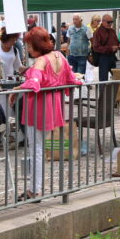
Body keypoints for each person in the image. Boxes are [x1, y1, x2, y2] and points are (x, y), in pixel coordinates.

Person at [18, 27, 81, 198]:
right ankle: (35, 188)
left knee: (36, 149)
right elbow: (71, 77)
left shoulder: (41, 61)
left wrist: (20, 86)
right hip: (53, 105)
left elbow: (34, 82)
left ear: (36, 45)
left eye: (29, 46)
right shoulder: (59, 55)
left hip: (38, 106)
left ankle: (35, 189)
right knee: (38, 148)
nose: (28, 49)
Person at [90, 15, 120, 82]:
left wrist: (119, 44)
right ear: (103, 21)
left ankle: (116, 92)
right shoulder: (97, 32)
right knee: (103, 80)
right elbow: (96, 48)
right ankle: (102, 92)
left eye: (111, 22)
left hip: (112, 57)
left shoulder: (112, 31)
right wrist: (110, 48)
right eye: (108, 22)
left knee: (118, 77)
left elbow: (116, 41)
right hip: (103, 58)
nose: (110, 24)